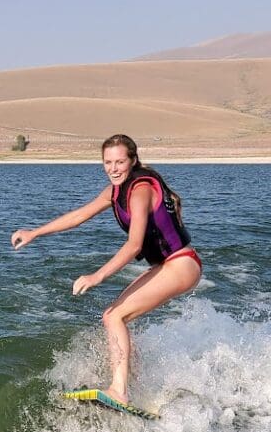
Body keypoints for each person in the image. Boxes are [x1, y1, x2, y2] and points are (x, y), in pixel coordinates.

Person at [11, 134, 202, 406]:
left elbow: (135, 244)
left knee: (114, 316)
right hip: (171, 266)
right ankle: (129, 383)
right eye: (107, 162)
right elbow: (79, 216)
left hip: (181, 264)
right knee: (112, 316)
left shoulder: (140, 191)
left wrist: (97, 276)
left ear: (133, 161)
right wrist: (35, 233)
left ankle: (119, 391)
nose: (113, 168)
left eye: (120, 162)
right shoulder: (115, 191)